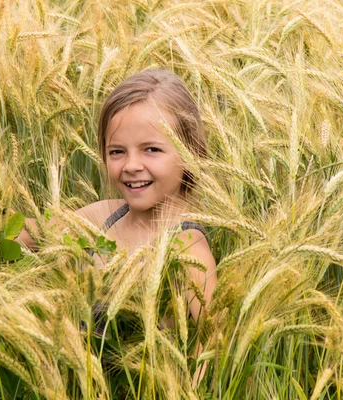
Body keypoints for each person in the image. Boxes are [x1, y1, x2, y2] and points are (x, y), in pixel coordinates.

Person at [13, 69, 217, 385]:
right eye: (117, 152)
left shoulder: (189, 249)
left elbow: (209, 360)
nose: (131, 165)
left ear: (189, 152)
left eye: (152, 149)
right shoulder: (100, 218)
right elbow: (21, 236)